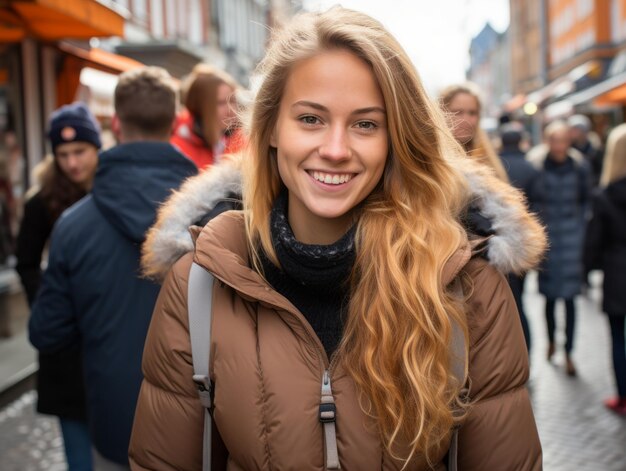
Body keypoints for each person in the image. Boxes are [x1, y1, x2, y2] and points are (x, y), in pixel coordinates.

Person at [130, 8, 544, 470]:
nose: (335, 149)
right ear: (270, 130)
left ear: (396, 139)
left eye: (366, 124)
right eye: (310, 119)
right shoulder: (201, 285)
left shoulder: (468, 286)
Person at [28, 67, 198, 469]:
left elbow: (46, 330)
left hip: (113, 421)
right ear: (174, 122)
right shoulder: (217, 215)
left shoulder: (72, 226)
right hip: (196, 427)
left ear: (116, 124)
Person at [16, 102, 101, 470]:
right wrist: (50, 307)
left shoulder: (111, 191)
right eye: (63, 154)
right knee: (79, 449)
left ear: (97, 147)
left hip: (105, 323)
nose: (72, 162)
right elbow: (26, 263)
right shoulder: (41, 202)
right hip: (66, 344)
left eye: (79, 151)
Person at [528, 120, 591, 377]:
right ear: (547, 141)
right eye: (554, 140)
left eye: (563, 140)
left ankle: (570, 351)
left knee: (571, 300)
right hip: (549, 240)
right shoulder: (537, 167)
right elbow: (531, 203)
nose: (559, 146)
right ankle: (552, 341)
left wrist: (581, 227)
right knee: (551, 298)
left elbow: (587, 199)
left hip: (573, 240)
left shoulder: (579, 167)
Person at [584, 123, 626, 416]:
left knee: (617, 338)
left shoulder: (604, 196)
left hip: (617, 274)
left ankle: (623, 397)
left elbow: (594, 244)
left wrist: (591, 266)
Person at [498, 122, 540, 354]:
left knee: (504, 304)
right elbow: (539, 209)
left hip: (496, 245)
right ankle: (526, 355)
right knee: (519, 303)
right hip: (520, 244)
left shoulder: (494, 165)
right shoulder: (531, 168)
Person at [171, 63, 243, 170]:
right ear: (201, 106)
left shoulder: (242, 142)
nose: (231, 110)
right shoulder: (178, 149)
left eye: (232, 101)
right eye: (221, 103)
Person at [439, 82, 509, 182]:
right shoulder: (432, 160)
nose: (466, 119)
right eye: (457, 112)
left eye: (472, 113)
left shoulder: (489, 160)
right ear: (441, 113)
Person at [567, 114, 604, 186]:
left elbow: (600, 173)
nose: (571, 133)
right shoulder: (568, 150)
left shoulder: (596, 150)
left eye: (574, 130)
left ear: (583, 131)